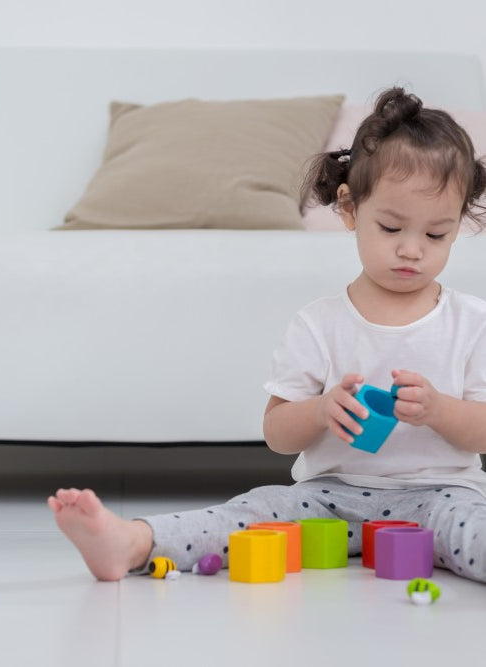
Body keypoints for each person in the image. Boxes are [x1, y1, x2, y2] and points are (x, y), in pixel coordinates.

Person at [48, 87, 486, 583]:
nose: (412, 250)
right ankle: (131, 543)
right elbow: (277, 434)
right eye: (390, 227)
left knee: (476, 529)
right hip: (329, 496)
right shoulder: (319, 323)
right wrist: (321, 410)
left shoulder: (470, 322)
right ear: (349, 209)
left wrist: (439, 410)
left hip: (442, 498)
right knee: (255, 510)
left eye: (435, 235)